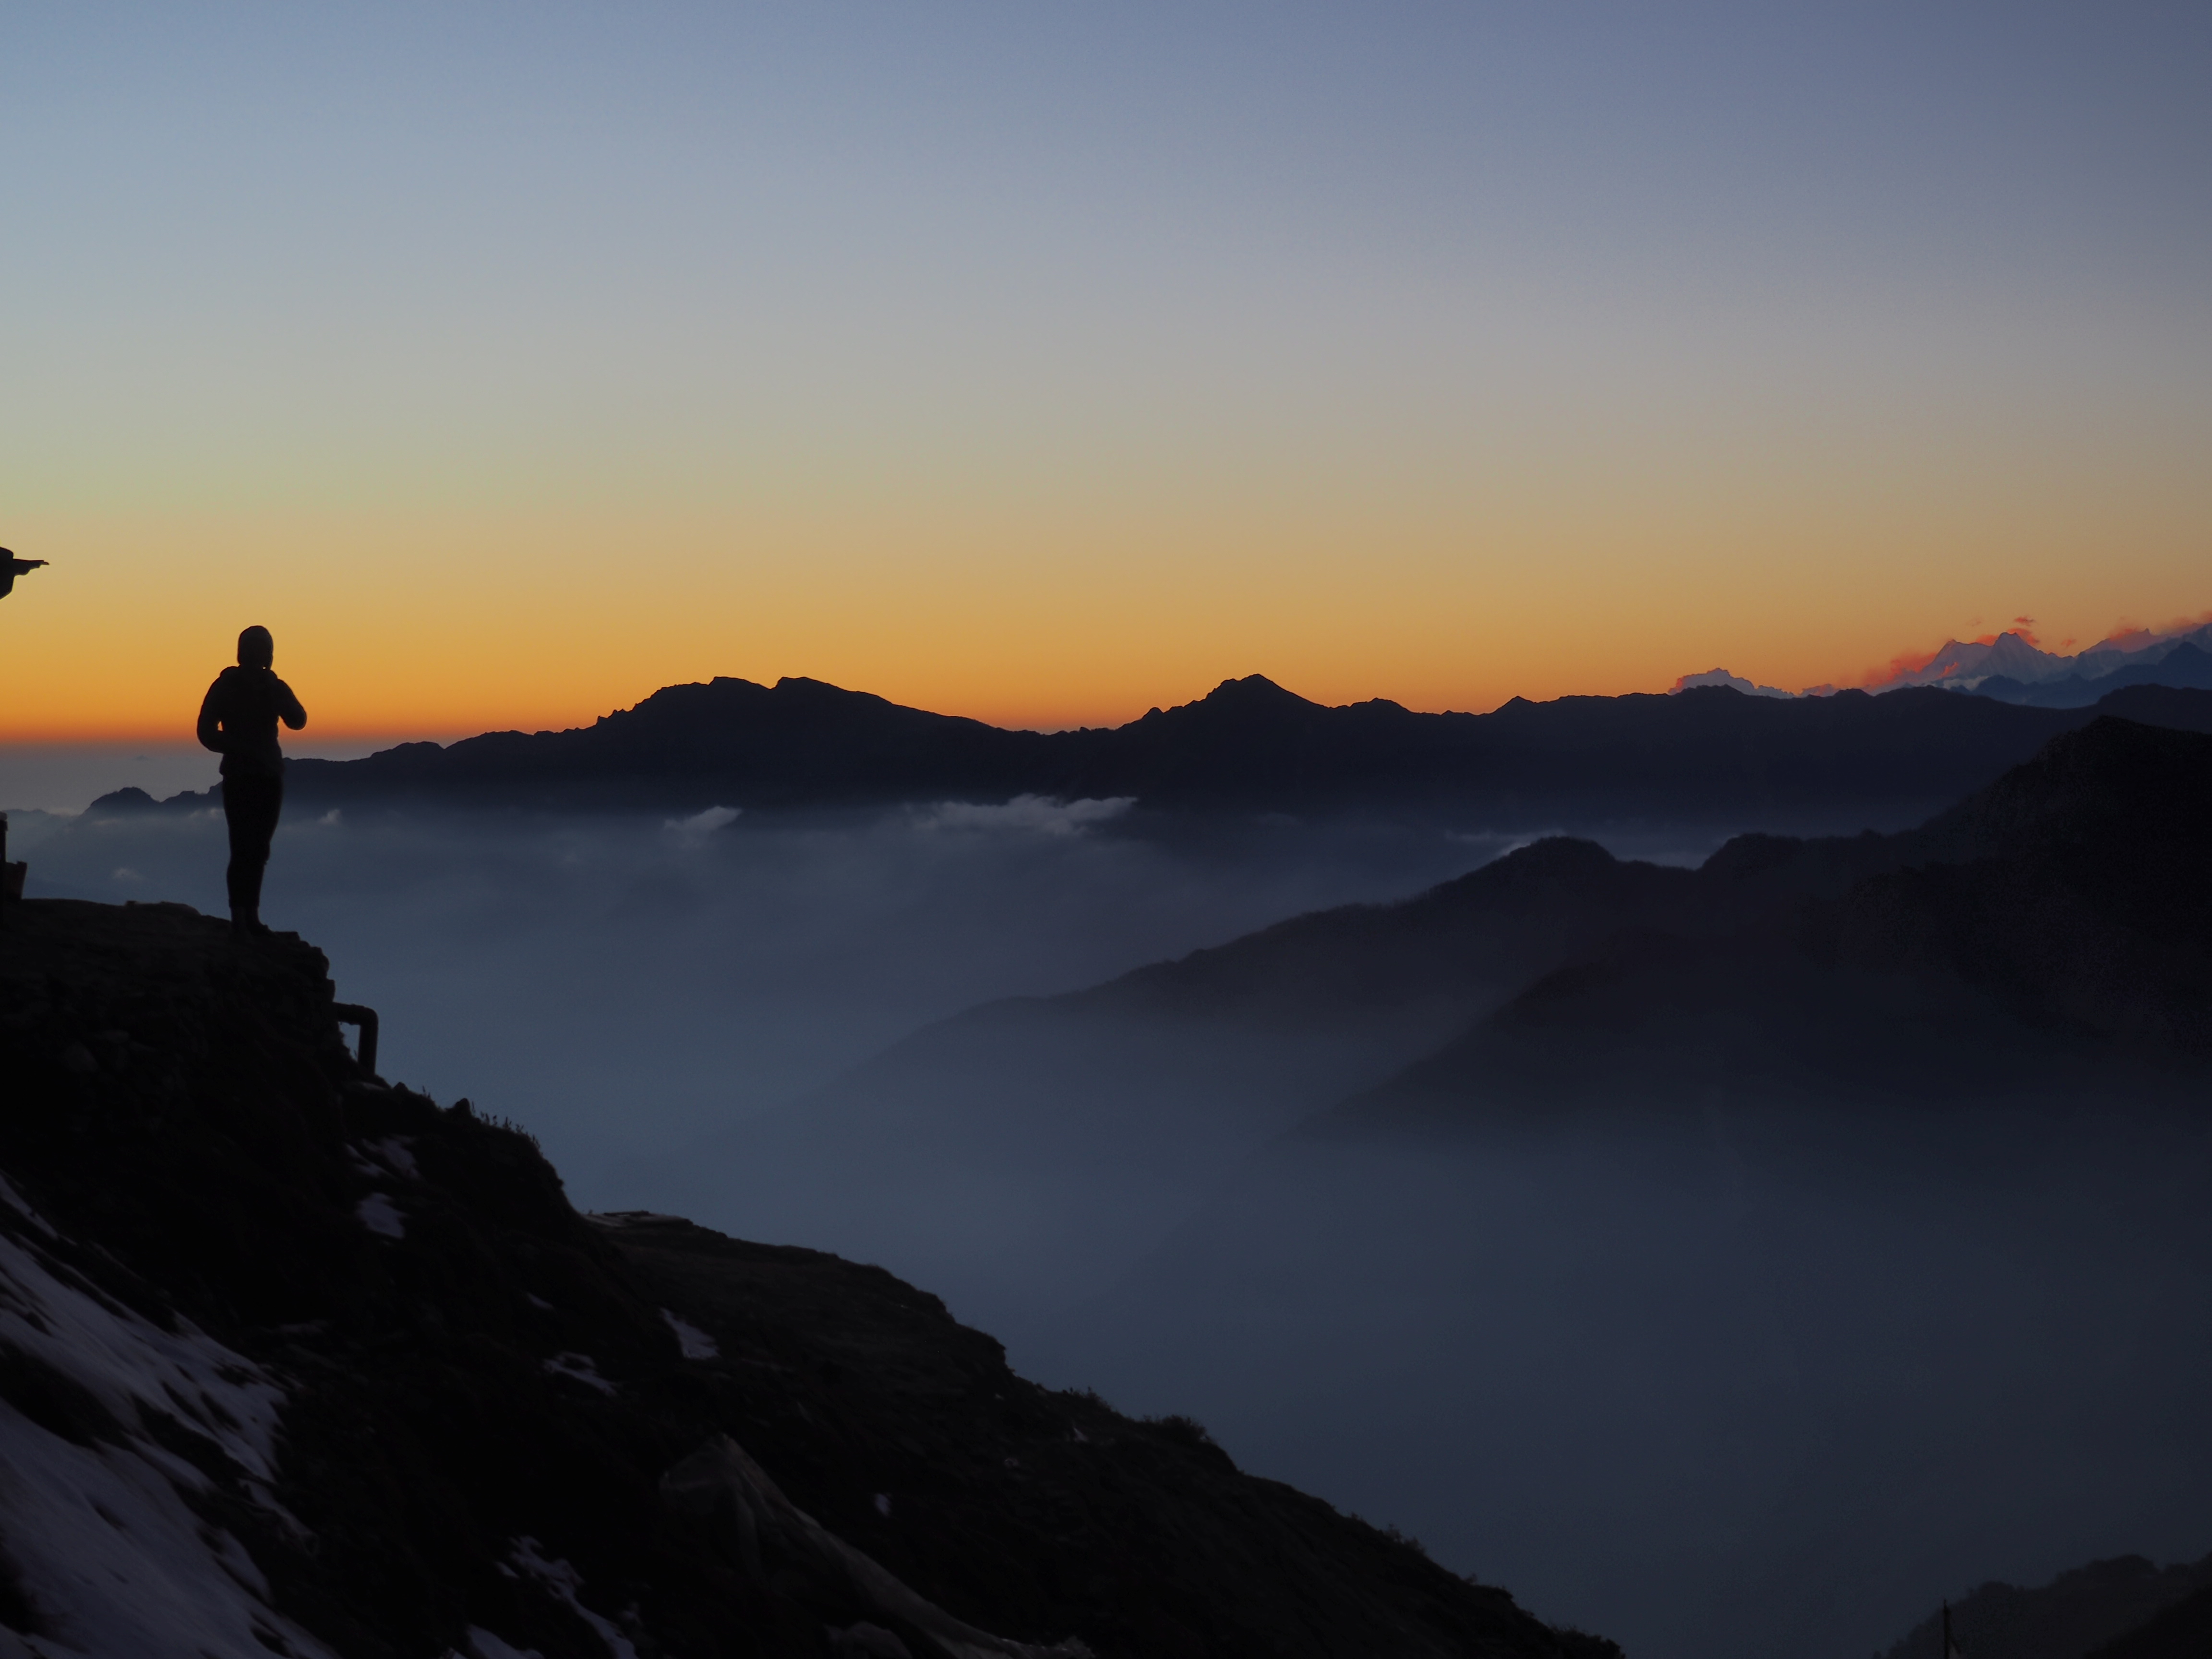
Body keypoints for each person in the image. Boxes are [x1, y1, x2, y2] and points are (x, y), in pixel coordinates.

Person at [196, 626, 307, 936]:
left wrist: (279, 694)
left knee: (258, 849)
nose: (262, 655)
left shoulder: (272, 686)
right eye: (258, 648)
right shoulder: (226, 686)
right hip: (243, 775)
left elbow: (298, 720)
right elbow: (205, 733)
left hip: (267, 775)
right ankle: (240, 919)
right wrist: (242, 747)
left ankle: (251, 917)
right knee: (244, 847)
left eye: (264, 649)